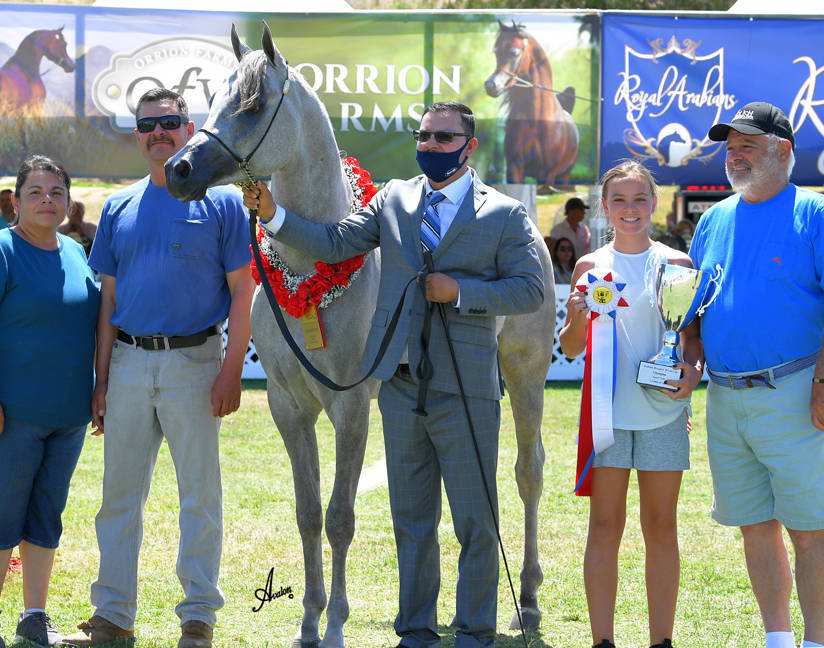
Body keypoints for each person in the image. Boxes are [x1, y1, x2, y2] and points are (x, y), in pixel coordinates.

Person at [243, 100, 544, 648]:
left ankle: (475, 631)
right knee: (411, 520)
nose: (431, 146)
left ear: (469, 145)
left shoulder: (503, 213)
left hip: (467, 384)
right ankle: (416, 632)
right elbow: (335, 244)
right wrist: (274, 218)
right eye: (423, 136)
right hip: (401, 382)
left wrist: (463, 291)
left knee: (475, 521)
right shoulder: (394, 199)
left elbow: (531, 289)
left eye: (444, 138)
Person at [62, 88, 253, 648]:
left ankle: (198, 614)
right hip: (126, 363)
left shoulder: (221, 203)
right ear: (137, 135)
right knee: (118, 497)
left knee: (199, 496)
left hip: (196, 361)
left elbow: (243, 292)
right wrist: (101, 380)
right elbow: (107, 303)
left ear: (189, 127)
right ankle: (113, 616)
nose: (159, 132)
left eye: (170, 122)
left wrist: (231, 369)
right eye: (149, 125)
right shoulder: (118, 206)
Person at [689, 102, 824, 648]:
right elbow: (692, 309)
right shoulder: (715, 218)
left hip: (796, 392)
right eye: (730, 146)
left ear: (783, 150)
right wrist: (688, 346)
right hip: (725, 397)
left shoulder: (813, 213)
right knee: (754, 526)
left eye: (747, 144)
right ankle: (778, 640)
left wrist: (822, 383)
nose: (735, 155)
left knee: (811, 531)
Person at [0, 156, 100, 648]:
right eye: (35, 192)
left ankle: (34, 616)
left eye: (56, 192)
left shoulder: (77, 252)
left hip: (67, 416)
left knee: (46, 516)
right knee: (2, 514)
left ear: (68, 201)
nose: (46, 201)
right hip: (7, 416)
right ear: (15, 201)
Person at [558, 160, 702, 648]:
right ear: (604, 207)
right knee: (604, 526)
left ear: (654, 203)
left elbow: (693, 342)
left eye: (639, 198)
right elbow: (573, 348)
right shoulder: (587, 267)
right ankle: (603, 641)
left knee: (661, 526)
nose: (630, 209)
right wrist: (577, 317)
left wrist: (692, 373)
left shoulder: (679, 266)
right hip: (608, 419)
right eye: (619, 199)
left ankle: (661, 640)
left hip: (663, 415)